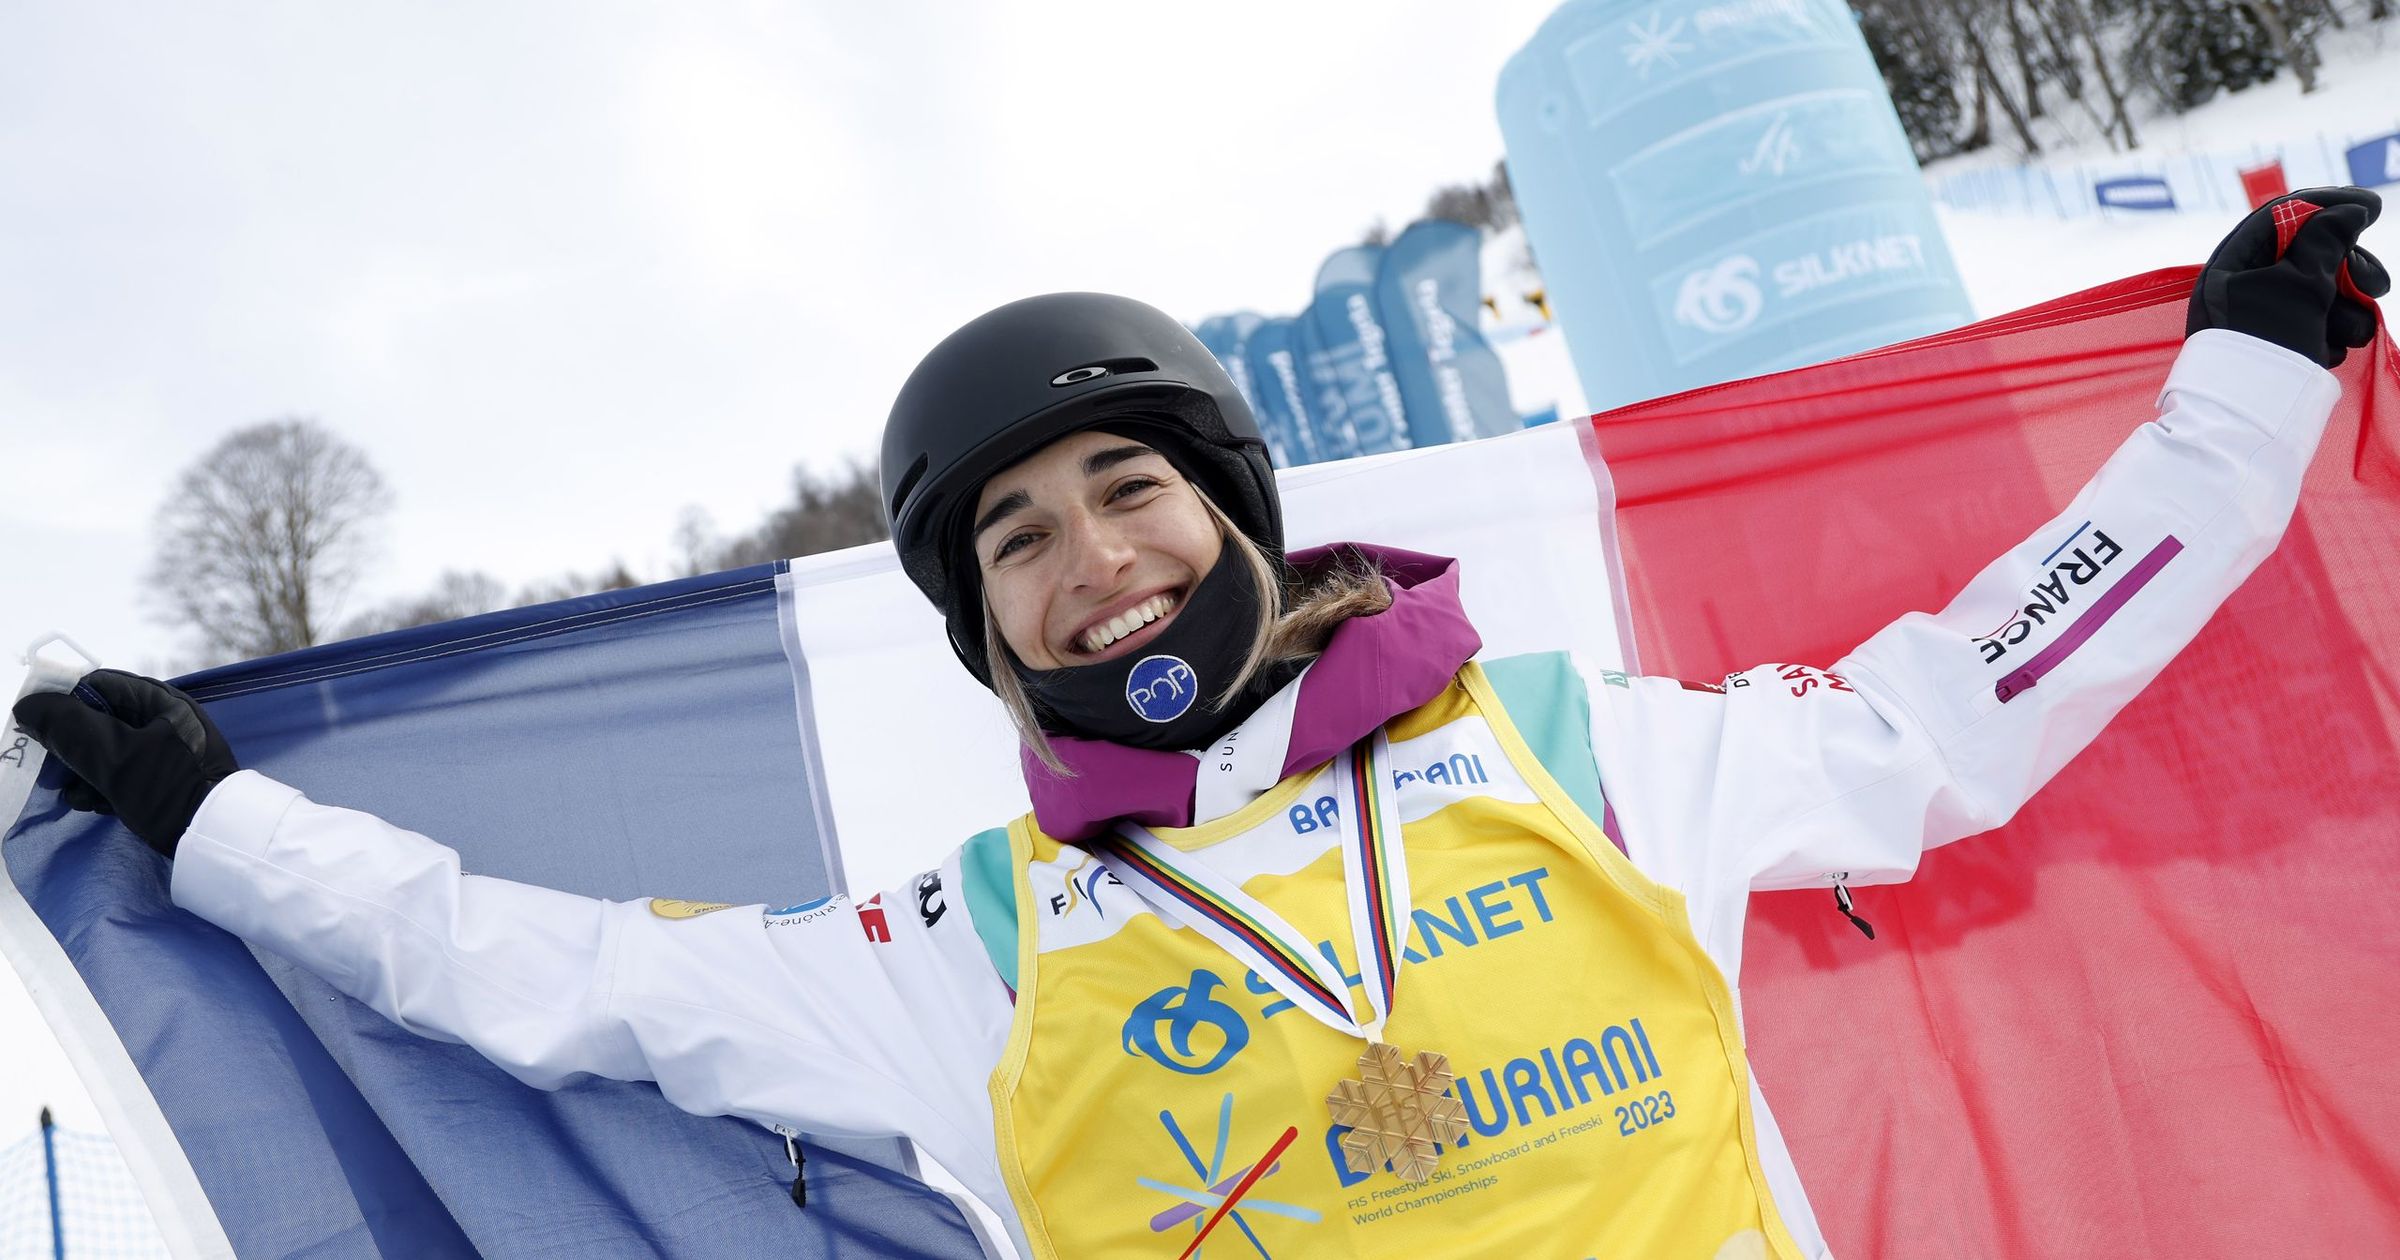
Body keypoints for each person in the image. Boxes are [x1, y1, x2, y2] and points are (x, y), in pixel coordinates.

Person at [14, 188, 2388, 1260]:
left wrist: (2241, 404)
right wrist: (218, 830)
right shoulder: (965, 941)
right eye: (1017, 540)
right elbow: (551, 984)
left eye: (1125, 487)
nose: (1093, 561)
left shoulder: (1578, 750)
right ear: (985, 629)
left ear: (1235, 508)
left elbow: (1958, 705)